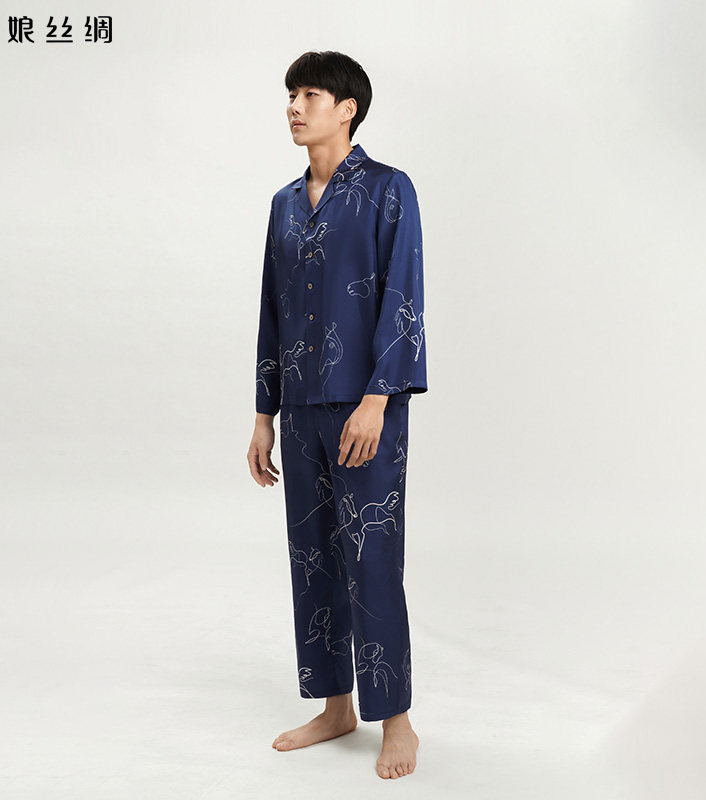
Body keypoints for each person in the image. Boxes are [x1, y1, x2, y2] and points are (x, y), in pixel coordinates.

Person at [247, 50, 427, 780]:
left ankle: (398, 721)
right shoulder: (284, 204)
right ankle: (334, 707)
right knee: (313, 558)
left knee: (372, 559)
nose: (294, 106)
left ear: (347, 108)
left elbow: (403, 296)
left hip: (365, 408)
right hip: (299, 410)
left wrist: (379, 399)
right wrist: (263, 414)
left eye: (310, 94)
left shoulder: (388, 189)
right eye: (290, 94)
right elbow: (271, 309)